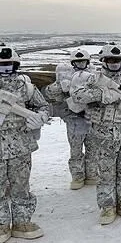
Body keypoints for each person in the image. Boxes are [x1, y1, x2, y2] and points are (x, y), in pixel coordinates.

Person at [70, 43, 121, 225]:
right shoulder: (93, 79)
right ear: (103, 61)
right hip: (103, 135)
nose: (114, 63)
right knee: (106, 172)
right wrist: (103, 94)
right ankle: (107, 207)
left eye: (117, 60)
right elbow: (77, 96)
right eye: (110, 60)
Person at [0, 44, 49, 240]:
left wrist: (40, 117)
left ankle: (22, 222)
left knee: (21, 186)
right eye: (1, 66)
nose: (5, 70)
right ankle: (1, 224)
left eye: (8, 66)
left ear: (16, 66)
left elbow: (44, 106)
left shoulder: (26, 88)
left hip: (20, 146)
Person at [43, 49, 98, 189]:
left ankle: (92, 175)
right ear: (73, 62)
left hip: (92, 118)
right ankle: (77, 177)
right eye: (78, 61)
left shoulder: (93, 76)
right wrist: (60, 86)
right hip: (74, 119)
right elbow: (49, 93)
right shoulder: (65, 76)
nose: (81, 63)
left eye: (83, 61)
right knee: (76, 150)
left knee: (93, 149)